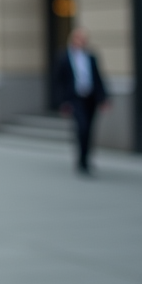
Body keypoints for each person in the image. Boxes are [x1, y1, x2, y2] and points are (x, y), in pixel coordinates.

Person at [54, 27, 109, 175]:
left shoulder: (91, 57)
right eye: (79, 38)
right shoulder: (64, 57)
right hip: (75, 99)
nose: (82, 41)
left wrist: (104, 98)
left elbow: (98, 78)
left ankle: (86, 159)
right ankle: (81, 160)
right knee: (82, 128)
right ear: (73, 39)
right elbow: (59, 82)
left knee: (89, 129)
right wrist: (63, 102)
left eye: (84, 39)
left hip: (90, 98)